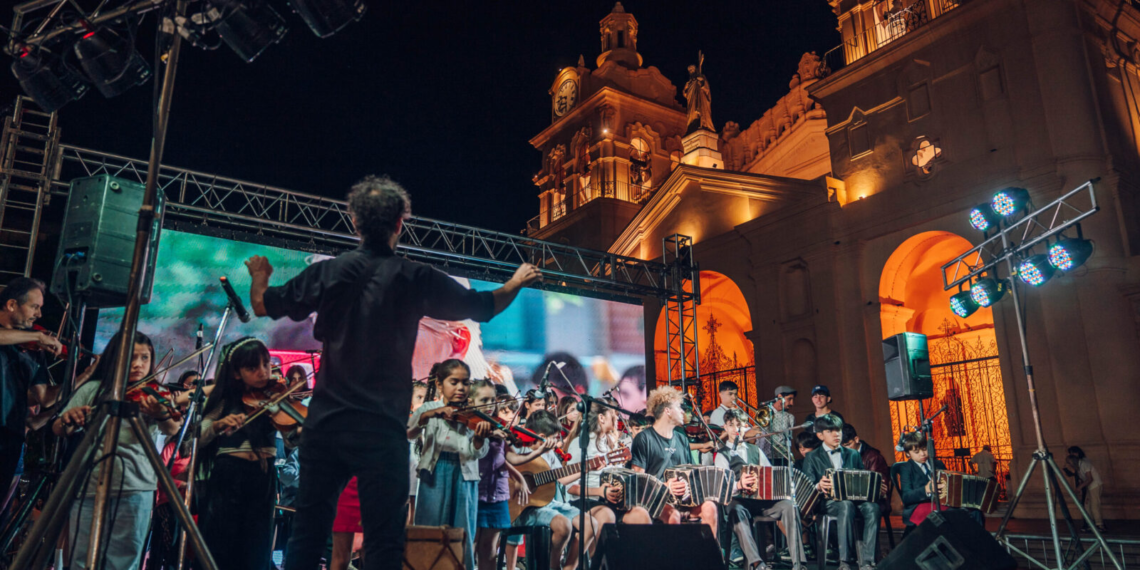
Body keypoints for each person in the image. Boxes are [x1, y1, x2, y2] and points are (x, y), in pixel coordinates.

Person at [247, 175, 541, 570]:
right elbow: (484, 306)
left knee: (307, 537)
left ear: (355, 222)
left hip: (327, 426)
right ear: (401, 223)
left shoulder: (327, 273)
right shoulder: (412, 276)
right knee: (385, 544)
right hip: (383, 428)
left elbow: (263, 305)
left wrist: (260, 275)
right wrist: (517, 281)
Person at [53, 331, 182, 570]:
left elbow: (173, 427)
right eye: (132, 357)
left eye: (145, 358)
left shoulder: (155, 393)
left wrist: (160, 412)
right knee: (81, 558)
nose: (139, 365)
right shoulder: (94, 389)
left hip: (137, 485)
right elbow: (59, 427)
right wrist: (69, 418)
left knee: (125, 560)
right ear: (117, 358)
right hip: (90, 483)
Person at [193, 337, 300, 570]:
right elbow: (197, 437)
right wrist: (219, 425)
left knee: (256, 547)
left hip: (263, 479)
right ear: (236, 373)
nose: (263, 372)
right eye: (253, 368)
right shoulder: (225, 399)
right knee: (222, 546)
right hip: (229, 476)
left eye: (266, 364)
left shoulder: (276, 398)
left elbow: (293, 439)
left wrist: (301, 428)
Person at [409, 360, 493, 569]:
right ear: (439, 384)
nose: (460, 388)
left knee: (462, 532)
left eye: (465, 383)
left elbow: (477, 453)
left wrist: (480, 439)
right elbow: (409, 433)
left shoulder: (473, 413)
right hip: (434, 473)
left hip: (465, 476)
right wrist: (429, 415)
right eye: (453, 382)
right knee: (430, 530)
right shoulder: (429, 408)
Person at [507, 410, 601, 570]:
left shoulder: (550, 455)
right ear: (542, 436)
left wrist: (586, 469)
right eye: (555, 438)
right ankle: (554, 566)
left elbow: (561, 479)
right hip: (524, 507)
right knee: (563, 526)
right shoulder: (518, 450)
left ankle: (569, 566)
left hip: (548, 504)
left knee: (591, 523)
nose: (558, 443)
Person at [0, 278, 64, 498]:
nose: (39, 315)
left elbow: (44, 397)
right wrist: (37, 335)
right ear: (11, 305)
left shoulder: (34, 349)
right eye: (34, 307)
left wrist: (86, 377)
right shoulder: (33, 337)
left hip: (10, 438)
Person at [719, 409, 804, 570]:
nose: (736, 429)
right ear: (725, 427)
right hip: (738, 502)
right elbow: (722, 488)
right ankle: (757, 563)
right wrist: (739, 485)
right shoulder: (722, 455)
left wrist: (773, 485)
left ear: (746, 426)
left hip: (760, 502)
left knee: (789, 505)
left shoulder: (756, 451)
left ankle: (799, 563)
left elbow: (770, 474)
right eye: (731, 425)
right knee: (736, 510)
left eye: (740, 425)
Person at [472, 380, 542, 570]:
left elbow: (511, 458)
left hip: (497, 494)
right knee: (470, 546)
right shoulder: (471, 425)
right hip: (476, 492)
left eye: (491, 400)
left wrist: (537, 451)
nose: (488, 404)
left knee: (489, 550)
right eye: (483, 400)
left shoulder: (500, 428)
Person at [631, 387, 720, 533]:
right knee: (673, 515)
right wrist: (665, 486)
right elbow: (638, 481)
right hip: (655, 499)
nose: (683, 412)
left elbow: (689, 472)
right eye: (679, 407)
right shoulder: (644, 438)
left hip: (681, 499)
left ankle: (708, 555)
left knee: (710, 508)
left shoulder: (682, 439)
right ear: (667, 411)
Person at [802, 414, 880, 570]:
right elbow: (807, 485)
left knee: (873, 508)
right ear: (820, 435)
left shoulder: (853, 454)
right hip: (827, 502)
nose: (836, 434)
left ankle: (867, 561)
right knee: (845, 505)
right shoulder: (812, 456)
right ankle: (844, 561)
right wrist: (819, 485)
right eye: (830, 431)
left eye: (838, 430)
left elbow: (861, 478)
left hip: (853, 499)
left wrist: (875, 487)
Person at [566, 397, 649, 525]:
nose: (616, 418)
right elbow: (570, 487)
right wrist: (599, 491)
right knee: (607, 515)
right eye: (612, 414)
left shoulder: (613, 443)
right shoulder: (580, 443)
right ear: (601, 418)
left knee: (642, 515)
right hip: (587, 501)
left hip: (612, 501)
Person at [841, 423, 890, 519]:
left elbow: (879, 487)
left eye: (848, 445)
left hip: (872, 500)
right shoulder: (840, 455)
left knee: (871, 508)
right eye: (842, 446)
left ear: (856, 439)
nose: (845, 449)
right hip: (848, 500)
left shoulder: (873, 456)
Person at [1067, 446, 1105, 532]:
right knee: (1087, 505)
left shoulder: (1084, 463)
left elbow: (1089, 478)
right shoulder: (1078, 466)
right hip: (1089, 486)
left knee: (1094, 505)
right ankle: (1090, 524)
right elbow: (1083, 478)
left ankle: (1100, 525)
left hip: (1095, 485)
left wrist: (1080, 487)